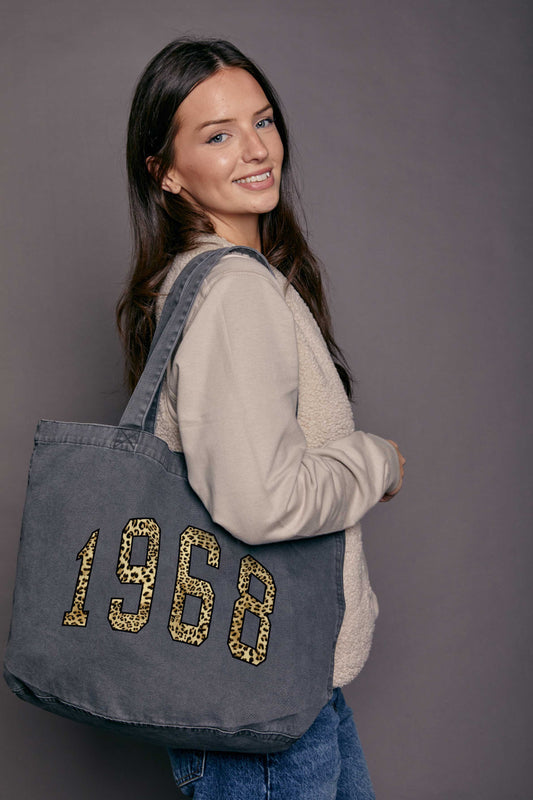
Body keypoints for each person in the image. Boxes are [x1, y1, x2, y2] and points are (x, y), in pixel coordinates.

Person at [117, 37, 405, 800]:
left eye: (263, 121)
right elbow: (257, 500)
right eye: (217, 134)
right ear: (166, 172)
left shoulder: (228, 283)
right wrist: (375, 462)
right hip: (260, 694)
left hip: (282, 682)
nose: (255, 149)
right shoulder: (231, 295)